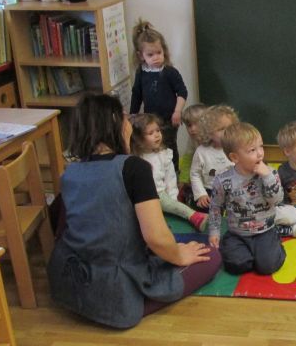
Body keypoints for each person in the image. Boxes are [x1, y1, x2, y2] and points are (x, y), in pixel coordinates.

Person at [47, 94, 221, 329]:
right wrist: (179, 255)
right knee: (211, 256)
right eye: (125, 117)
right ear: (116, 123)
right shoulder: (134, 168)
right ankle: (125, 304)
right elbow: (155, 238)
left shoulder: (70, 172)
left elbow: (60, 224)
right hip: (115, 285)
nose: (129, 123)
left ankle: (96, 302)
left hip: (68, 281)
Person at [208, 122, 286, 275]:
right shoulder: (223, 181)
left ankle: (274, 242)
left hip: (265, 231)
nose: (260, 154)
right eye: (252, 150)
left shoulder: (270, 173)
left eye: (261, 146)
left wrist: (267, 177)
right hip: (237, 234)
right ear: (235, 157)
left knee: (267, 267)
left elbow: (277, 200)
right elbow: (215, 207)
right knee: (235, 265)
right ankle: (248, 253)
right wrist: (214, 232)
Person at [129, 113, 208, 232]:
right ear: (138, 139)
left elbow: (170, 179)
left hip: (159, 195)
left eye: (158, 130)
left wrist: (173, 199)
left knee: (167, 204)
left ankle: (195, 217)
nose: (157, 135)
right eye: (150, 133)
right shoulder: (134, 157)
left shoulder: (164, 155)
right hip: (141, 198)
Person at [129, 19, 187, 172]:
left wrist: (177, 111)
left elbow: (182, 92)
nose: (156, 57)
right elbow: (136, 94)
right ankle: (157, 174)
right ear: (141, 55)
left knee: (169, 147)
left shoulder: (169, 72)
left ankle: (174, 173)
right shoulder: (141, 72)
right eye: (150, 54)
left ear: (164, 51)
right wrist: (133, 114)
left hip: (169, 119)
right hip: (151, 121)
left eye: (159, 53)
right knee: (153, 148)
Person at [190, 104, 238, 210]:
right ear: (209, 132)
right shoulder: (201, 152)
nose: (226, 132)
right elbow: (195, 174)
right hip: (209, 192)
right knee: (205, 210)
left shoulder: (237, 148)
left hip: (233, 191)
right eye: (221, 129)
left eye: (229, 128)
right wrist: (201, 194)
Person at [177, 103, 207, 205]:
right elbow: (188, 159)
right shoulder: (192, 139)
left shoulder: (214, 140)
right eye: (189, 125)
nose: (192, 129)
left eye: (197, 124)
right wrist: (183, 180)